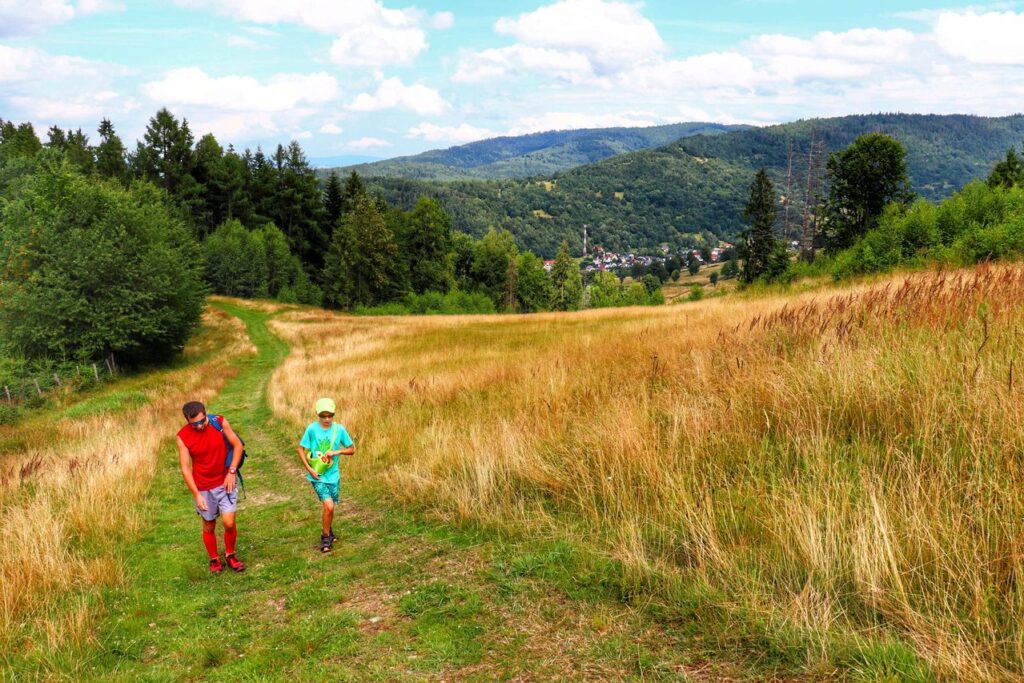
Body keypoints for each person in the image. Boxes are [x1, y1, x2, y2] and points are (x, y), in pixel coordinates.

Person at [177, 400, 246, 574]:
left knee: (229, 523)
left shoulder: (220, 422)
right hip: (203, 486)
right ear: (187, 421)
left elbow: (238, 445)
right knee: (209, 525)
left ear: (206, 414)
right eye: (194, 424)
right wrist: (196, 494)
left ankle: (230, 555)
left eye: (202, 421)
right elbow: (185, 468)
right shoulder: (182, 437)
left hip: (225, 481)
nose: (199, 426)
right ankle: (214, 559)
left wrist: (231, 472)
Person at [297, 398, 355, 553]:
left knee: (331, 507)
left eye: (330, 415)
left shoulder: (339, 430)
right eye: (323, 415)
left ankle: (329, 529)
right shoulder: (311, 429)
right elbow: (300, 449)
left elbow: (351, 449)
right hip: (317, 476)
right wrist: (309, 469)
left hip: (334, 476)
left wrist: (337, 451)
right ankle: (325, 538)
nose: (327, 419)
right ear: (317, 414)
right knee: (328, 506)